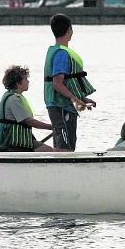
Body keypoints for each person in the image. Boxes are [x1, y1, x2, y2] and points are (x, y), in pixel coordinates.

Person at [44, 14, 97, 151]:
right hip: (60, 105)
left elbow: (67, 83)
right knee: (64, 148)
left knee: (68, 146)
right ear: (69, 30)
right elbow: (57, 83)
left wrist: (82, 98)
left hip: (64, 105)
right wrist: (74, 99)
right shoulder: (61, 54)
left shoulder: (56, 50)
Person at [0, 65, 61, 152]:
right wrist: (52, 127)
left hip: (19, 140)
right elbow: (28, 121)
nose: (28, 81)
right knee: (50, 152)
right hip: (9, 143)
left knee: (49, 150)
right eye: (25, 79)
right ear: (18, 82)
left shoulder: (15, 96)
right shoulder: (13, 99)